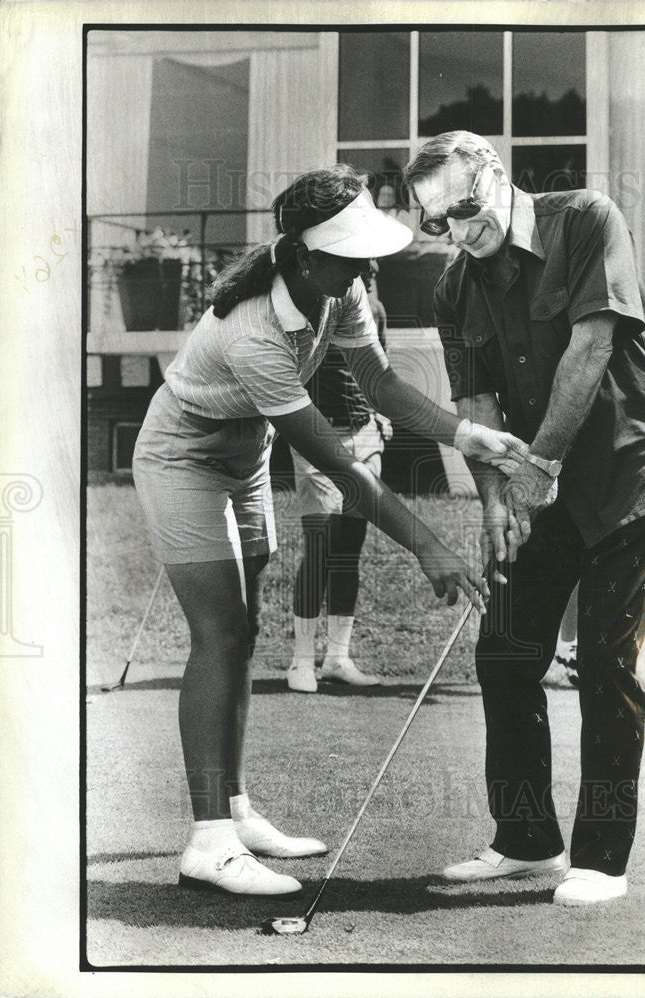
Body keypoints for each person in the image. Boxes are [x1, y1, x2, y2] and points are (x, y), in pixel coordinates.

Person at [132, 164, 529, 898]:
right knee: (218, 635)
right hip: (180, 460)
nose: (369, 265)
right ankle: (206, 842)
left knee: (245, 633)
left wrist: (464, 432)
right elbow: (343, 467)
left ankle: (236, 810)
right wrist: (427, 544)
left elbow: (379, 387)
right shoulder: (252, 332)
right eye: (352, 252)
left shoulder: (341, 290)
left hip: (244, 459)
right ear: (305, 255)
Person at [404, 132, 645, 905]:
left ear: (494, 175)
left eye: (465, 208)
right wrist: (496, 497)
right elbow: (474, 402)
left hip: (632, 472)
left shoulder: (586, 219)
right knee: (503, 654)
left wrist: (540, 465)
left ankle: (601, 859)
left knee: (603, 660)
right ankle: (526, 842)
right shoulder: (453, 287)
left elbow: (591, 346)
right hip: (539, 484)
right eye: (439, 224)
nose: (460, 232)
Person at [286, 261, 391, 691]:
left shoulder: (376, 309)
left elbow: (382, 370)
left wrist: (382, 420)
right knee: (320, 544)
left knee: (350, 545)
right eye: (359, 271)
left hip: (364, 432)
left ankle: (337, 658)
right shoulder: (312, 304)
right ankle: (300, 661)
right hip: (317, 431)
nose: (365, 281)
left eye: (371, 273)